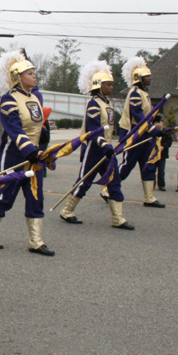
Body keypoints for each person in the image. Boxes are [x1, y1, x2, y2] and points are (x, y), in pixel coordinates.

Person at [0, 51, 55, 256]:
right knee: (5, 197)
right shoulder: (9, 99)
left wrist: (43, 142)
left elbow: (38, 126)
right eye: (29, 73)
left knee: (36, 198)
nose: (34, 76)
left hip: (33, 156)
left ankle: (35, 241)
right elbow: (14, 129)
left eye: (33, 73)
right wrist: (30, 151)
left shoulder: (34, 98)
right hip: (14, 156)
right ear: (18, 77)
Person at [59, 60, 134, 230]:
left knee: (114, 181)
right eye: (108, 84)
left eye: (111, 84)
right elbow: (93, 129)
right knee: (84, 181)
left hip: (107, 150)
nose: (111, 87)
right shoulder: (94, 103)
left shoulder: (107, 103)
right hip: (94, 149)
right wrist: (103, 144)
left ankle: (118, 218)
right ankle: (67, 210)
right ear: (99, 86)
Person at [117, 56, 165, 208]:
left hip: (145, 132)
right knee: (128, 164)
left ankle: (149, 197)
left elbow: (144, 112)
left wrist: (153, 116)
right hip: (134, 133)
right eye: (147, 77)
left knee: (148, 163)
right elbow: (137, 114)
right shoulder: (135, 93)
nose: (150, 78)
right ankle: (108, 189)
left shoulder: (144, 92)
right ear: (139, 79)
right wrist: (152, 128)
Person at [155, 115, 173, 191]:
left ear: (163, 122)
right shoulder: (153, 131)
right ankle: (151, 184)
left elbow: (169, 141)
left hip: (162, 154)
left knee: (161, 171)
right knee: (152, 170)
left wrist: (164, 146)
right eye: (156, 122)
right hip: (154, 154)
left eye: (159, 122)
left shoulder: (166, 132)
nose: (157, 124)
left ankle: (161, 185)